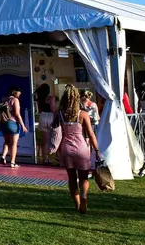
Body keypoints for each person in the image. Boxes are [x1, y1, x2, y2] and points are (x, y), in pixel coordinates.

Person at [55, 85, 101, 214]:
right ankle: (84, 195)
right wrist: (97, 150)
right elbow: (91, 134)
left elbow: (56, 131)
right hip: (81, 147)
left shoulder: (60, 114)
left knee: (71, 178)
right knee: (84, 177)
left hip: (66, 147)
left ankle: (77, 204)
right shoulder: (83, 114)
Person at [0, 87, 28, 167]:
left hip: (4, 123)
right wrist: (23, 126)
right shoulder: (15, 100)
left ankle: (3, 156)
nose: (20, 93)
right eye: (19, 92)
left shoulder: (4, 100)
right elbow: (17, 114)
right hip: (13, 123)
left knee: (7, 141)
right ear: (15, 92)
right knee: (14, 143)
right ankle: (12, 162)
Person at [35, 84, 59, 164]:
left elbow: (39, 110)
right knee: (54, 138)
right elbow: (53, 109)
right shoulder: (50, 98)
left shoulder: (40, 98)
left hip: (42, 116)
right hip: (50, 117)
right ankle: (56, 156)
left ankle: (45, 158)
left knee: (45, 140)